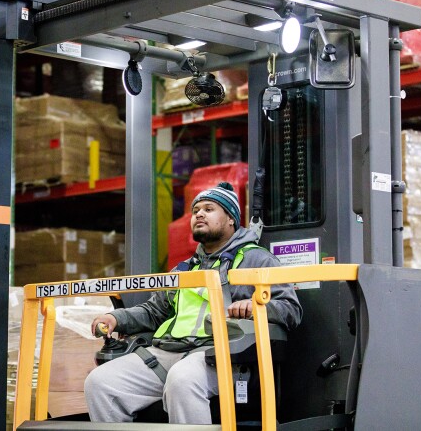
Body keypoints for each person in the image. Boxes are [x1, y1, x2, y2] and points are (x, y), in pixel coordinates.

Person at [84, 182, 302, 425]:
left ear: (231, 219)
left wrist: (256, 307)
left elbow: (291, 309)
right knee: (100, 382)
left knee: (183, 378)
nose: (199, 213)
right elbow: (155, 311)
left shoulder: (257, 259)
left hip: (222, 356)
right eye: (196, 210)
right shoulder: (185, 268)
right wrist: (117, 319)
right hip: (168, 353)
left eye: (209, 209)